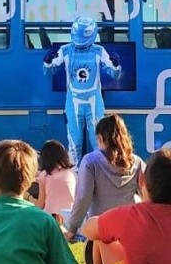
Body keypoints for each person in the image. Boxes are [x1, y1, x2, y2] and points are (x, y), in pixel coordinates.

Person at [62, 114, 146, 264]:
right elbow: (147, 195)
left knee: (99, 233)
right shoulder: (137, 162)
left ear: (100, 138)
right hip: (129, 235)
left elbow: (82, 198)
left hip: (99, 236)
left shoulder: (90, 161)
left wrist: (71, 229)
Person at [43, 16, 121, 164]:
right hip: (73, 102)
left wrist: (116, 66)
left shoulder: (99, 50)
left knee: (98, 142)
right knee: (74, 143)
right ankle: (75, 175)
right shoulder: (65, 50)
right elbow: (49, 71)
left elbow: (114, 74)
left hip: (94, 101)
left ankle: (99, 172)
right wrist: (47, 63)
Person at [27, 139, 76, 225]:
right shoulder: (71, 173)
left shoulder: (44, 175)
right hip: (69, 218)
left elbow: (40, 205)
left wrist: (28, 197)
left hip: (50, 219)